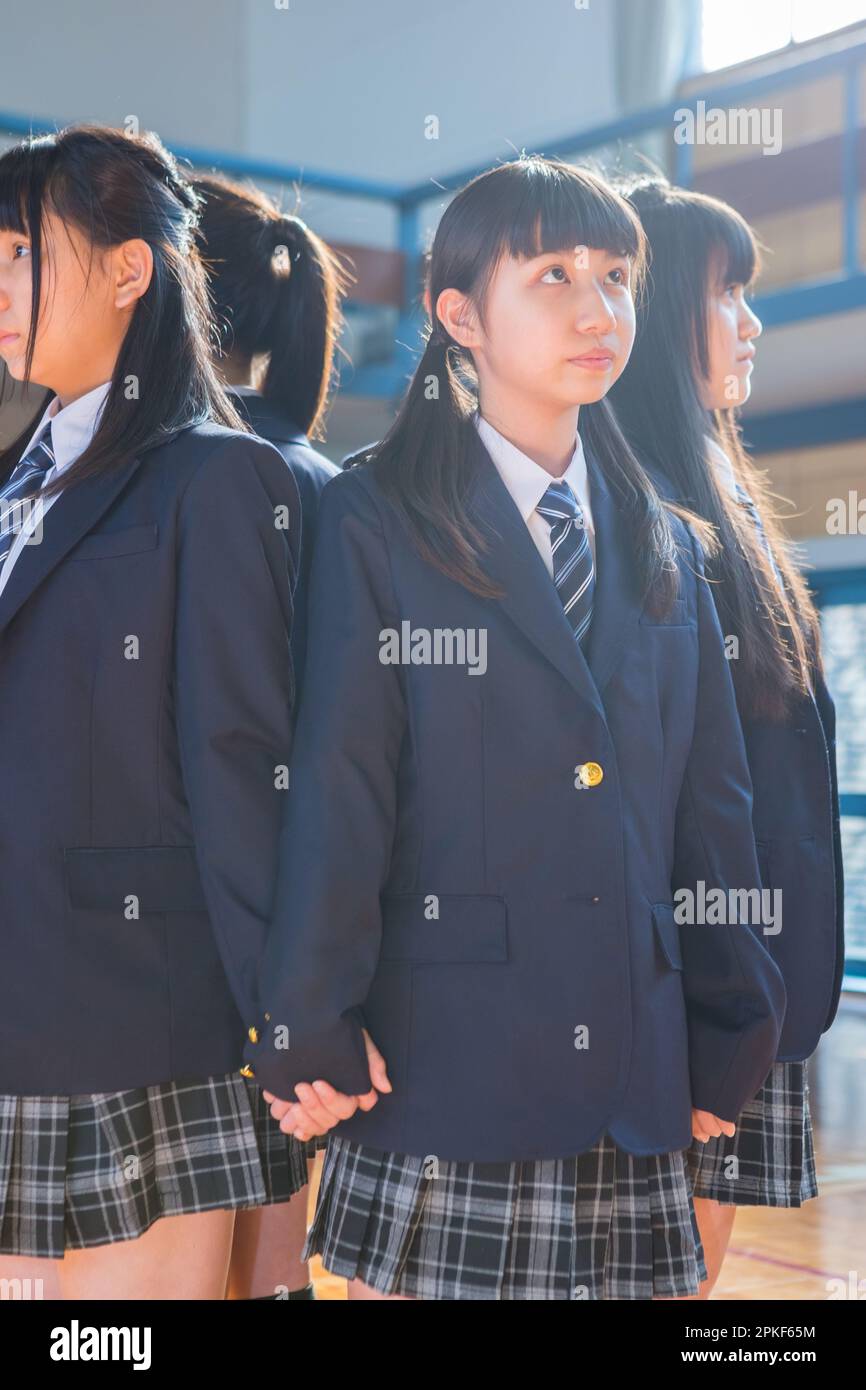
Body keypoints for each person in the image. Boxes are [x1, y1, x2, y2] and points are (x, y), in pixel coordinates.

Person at [242, 156, 786, 1301]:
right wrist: (308, 1019)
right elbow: (343, 784)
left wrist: (737, 1013)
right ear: (456, 316)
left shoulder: (669, 543)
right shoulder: (373, 514)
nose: (597, 308)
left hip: (636, 1063)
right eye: (550, 274)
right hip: (447, 1068)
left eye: (615, 274)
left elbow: (709, 803)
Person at [0, 123, 302, 1300]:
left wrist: (296, 1019)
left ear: (129, 271)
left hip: (140, 1032)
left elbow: (243, 769)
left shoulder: (218, 479)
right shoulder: (20, 478)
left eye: (23, 253)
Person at [609, 175, 844, 1297]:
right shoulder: (641, 515)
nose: (750, 322)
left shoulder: (725, 500)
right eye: (726, 294)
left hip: (747, 983)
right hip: (689, 990)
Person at [194, 172, 348, 1298]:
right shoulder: (327, 477)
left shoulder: (199, 477)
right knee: (276, 1257)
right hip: (296, 947)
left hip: (211, 953)